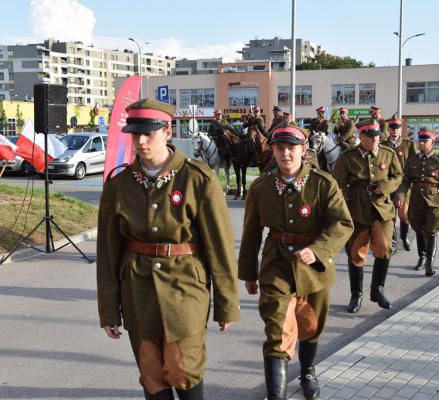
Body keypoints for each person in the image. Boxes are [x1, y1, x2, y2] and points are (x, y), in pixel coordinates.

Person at [97, 98, 241, 400]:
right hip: (137, 289)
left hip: (186, 286)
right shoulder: (119, 185)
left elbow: (220, 245)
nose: (140, 141)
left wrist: (227, 302)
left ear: (167, 131)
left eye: (149, 133)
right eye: (135, 134)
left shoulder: (197, 179)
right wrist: (109, 310)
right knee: (151, 376)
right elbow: (108, 253)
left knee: (183, 370)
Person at [239, 125, 354, 400]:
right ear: (273, 151)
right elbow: (251, 233)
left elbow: (342, 223)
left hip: (314, 267)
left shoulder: (323, 184)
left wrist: (318, 250)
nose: (285, 153)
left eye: (292, 148)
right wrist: (248, 273)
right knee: (277, 328)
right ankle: (276, 395)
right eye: (279, 148)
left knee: (311, 326)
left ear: (304, 150)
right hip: (276, 262)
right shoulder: (261, 188)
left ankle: (307, 370)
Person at [332, 119, 402, 314]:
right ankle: (356, 294)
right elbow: (337, 183)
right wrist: (347, 202)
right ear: (361, 136)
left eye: (378, 136)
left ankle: (377, 289)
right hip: (357, 210)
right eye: (371, 136)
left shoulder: (387, 153)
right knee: (356, 252)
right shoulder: (348, 157)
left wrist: (385, 187)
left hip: (382, 209)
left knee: (384, 248)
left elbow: (397, 176)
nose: (376, 139)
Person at [396, 128, 439, 276]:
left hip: (435, 202)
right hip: (416, 201)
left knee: (431, 231)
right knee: (418, 229)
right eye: (420, 141)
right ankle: (421, 258)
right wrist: (401, 197)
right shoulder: (412, 161)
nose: (421, 144)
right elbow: (405, 182)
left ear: (432, 142)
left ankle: (430, 263)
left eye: (424, 141)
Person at [381, 118, 417, 253]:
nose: (395, 130)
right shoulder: (383, 144)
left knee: (403, 214)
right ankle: (393, 242)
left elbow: (414, 163)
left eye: (397, 128)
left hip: (403, 184)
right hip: (388, 184)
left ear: (401, 128)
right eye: (392, 128)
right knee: (391, 216)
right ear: (388, 129)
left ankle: (404, 236)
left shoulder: (408, 144)